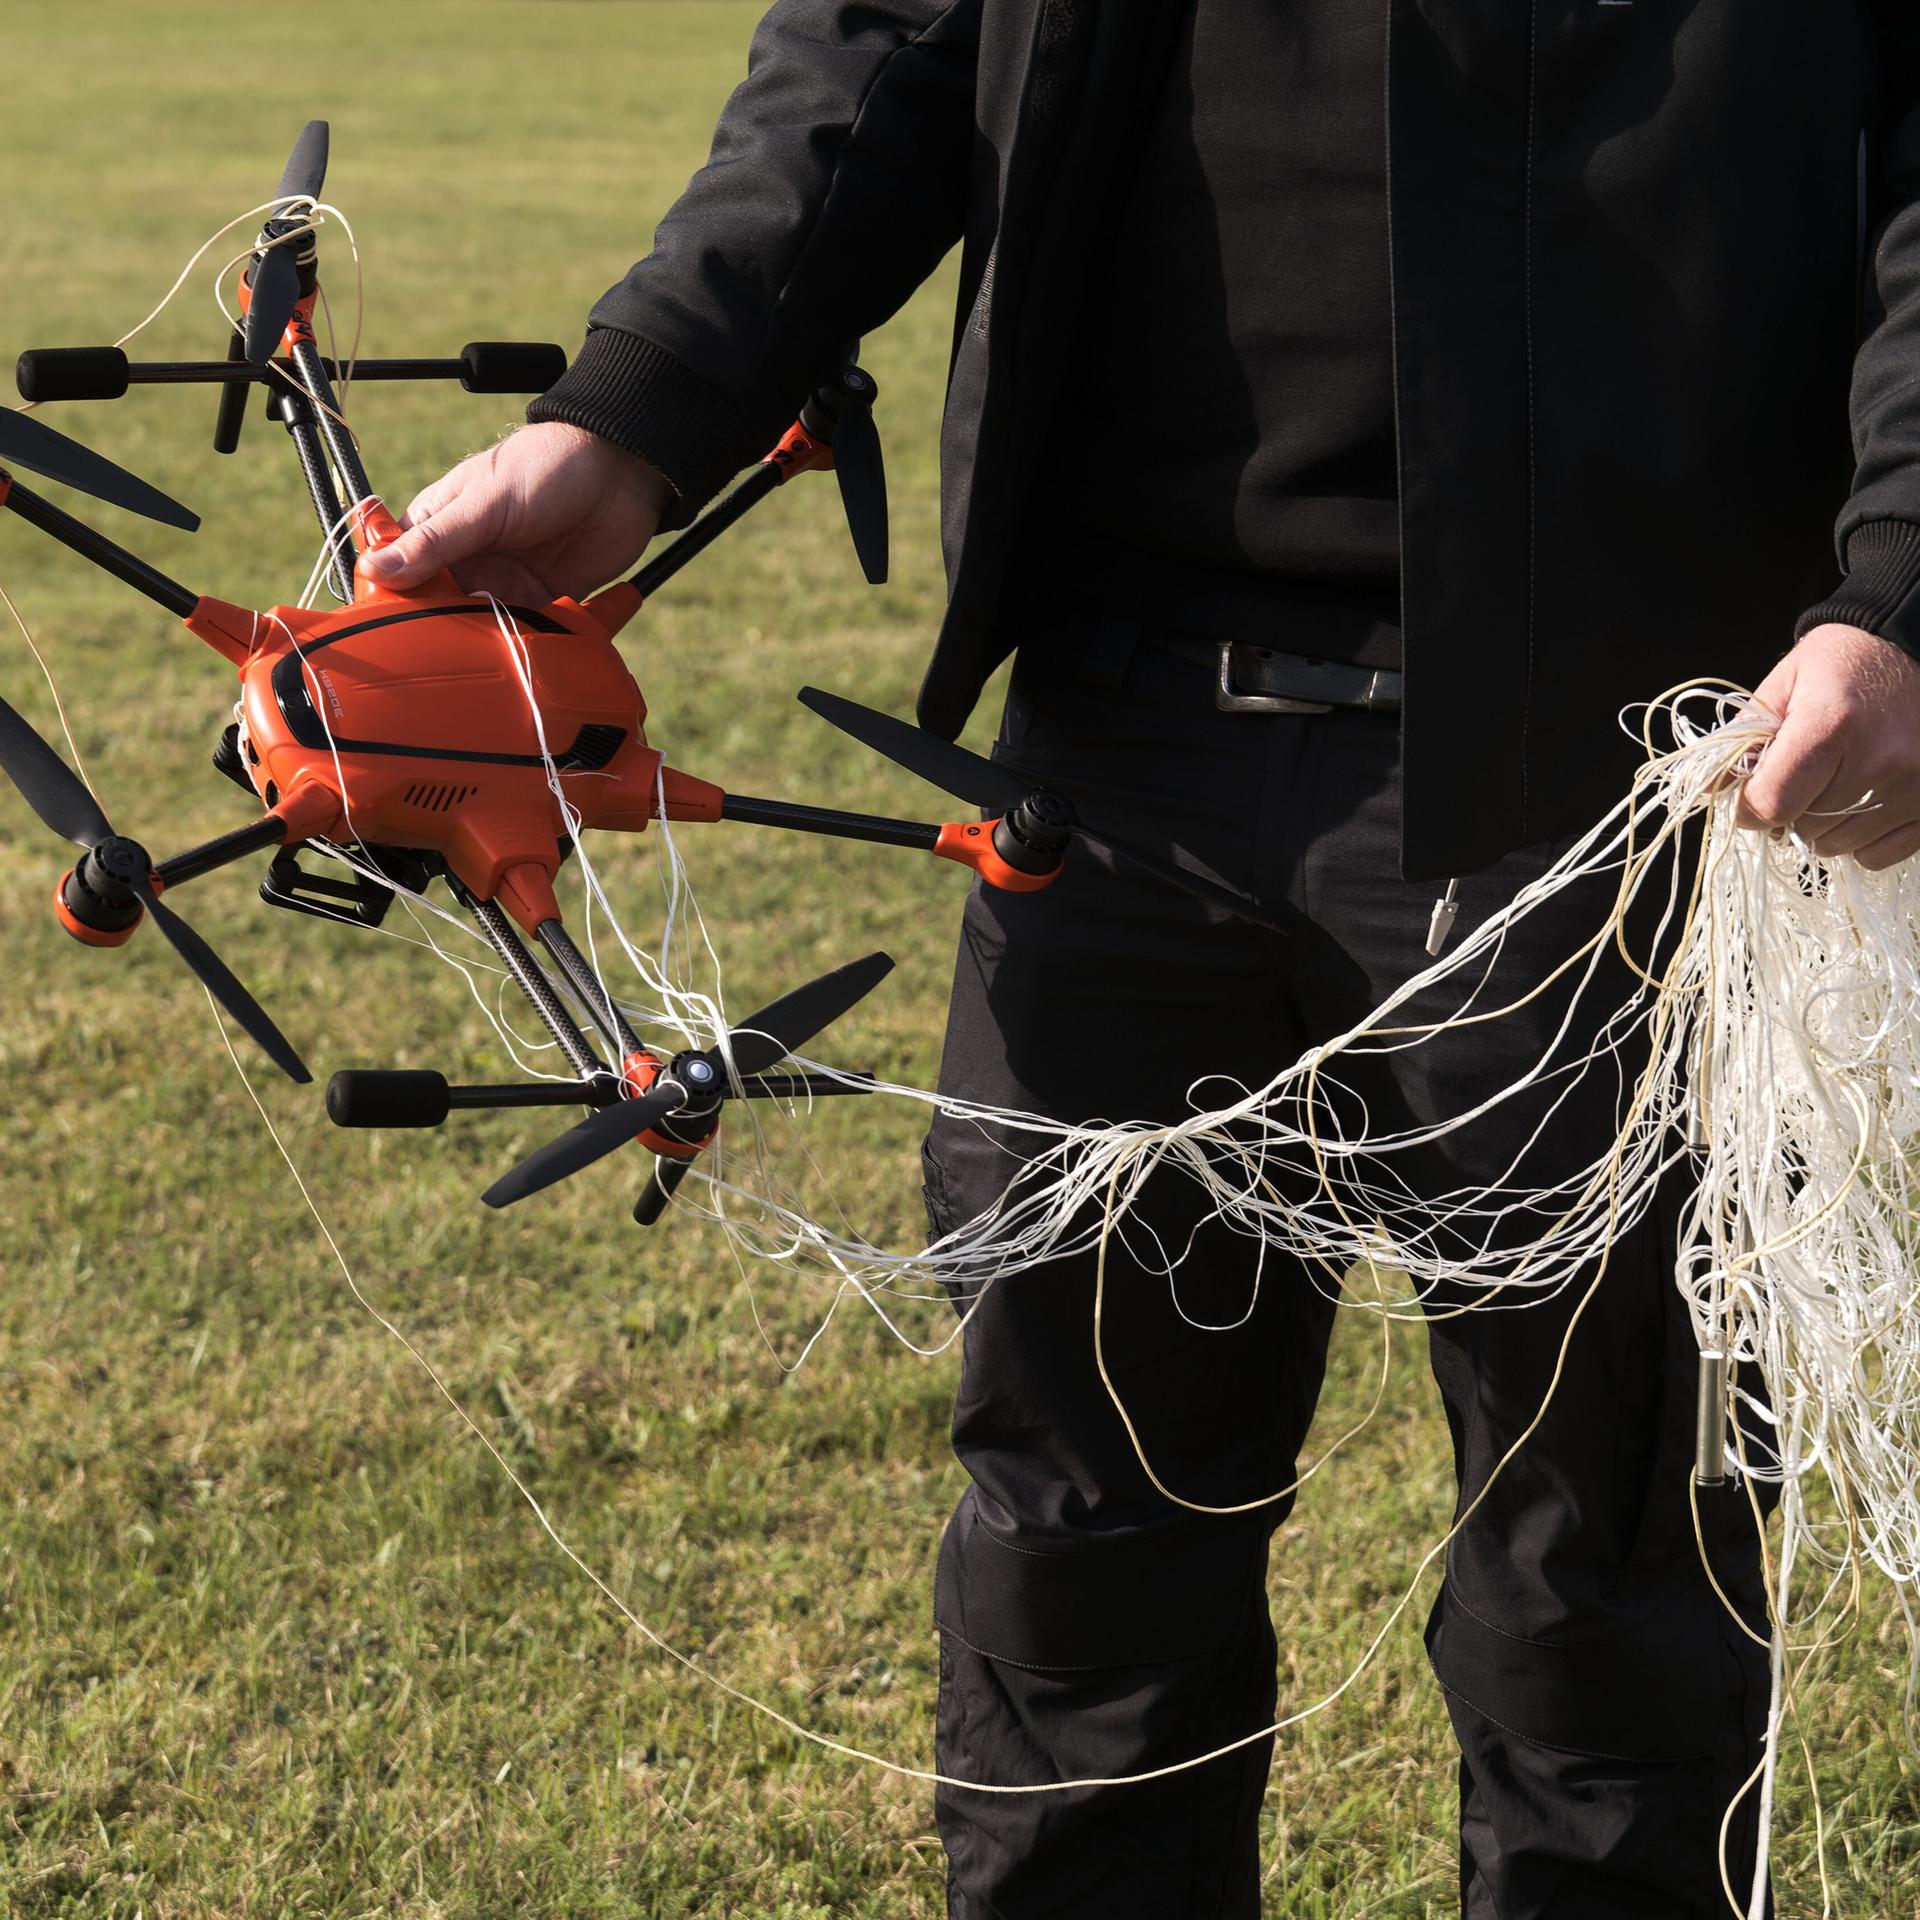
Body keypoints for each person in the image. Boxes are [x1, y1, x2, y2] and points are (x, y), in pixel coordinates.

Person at [360, 6, 1920, 1913]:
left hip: (1607, 764)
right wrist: (639, 404)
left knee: (1602, 1597)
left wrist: (1903, 585)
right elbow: (889, 42)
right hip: (1117, 757)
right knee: (1076, 1562)